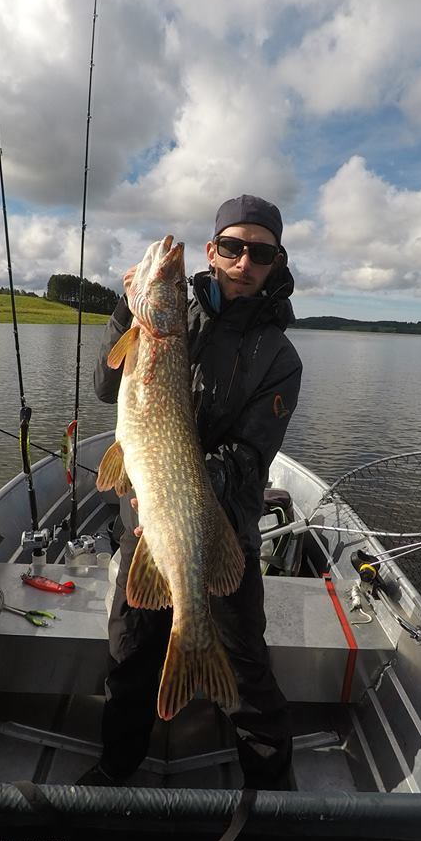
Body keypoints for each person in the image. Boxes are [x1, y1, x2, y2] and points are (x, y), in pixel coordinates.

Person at [87, 194, 302, 791]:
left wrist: (176, 492)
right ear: (214, 251)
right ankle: (117, 765)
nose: (242, 260)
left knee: (246, 667)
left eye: (259, 252)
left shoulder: (279, 357)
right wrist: (124, 314)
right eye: (231, 247)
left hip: (223, 523)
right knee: (129, 653)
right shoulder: (164, 318)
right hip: (148, 518)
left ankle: (271, 795)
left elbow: (251, 456)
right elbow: (108, 388)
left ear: (274, 261)